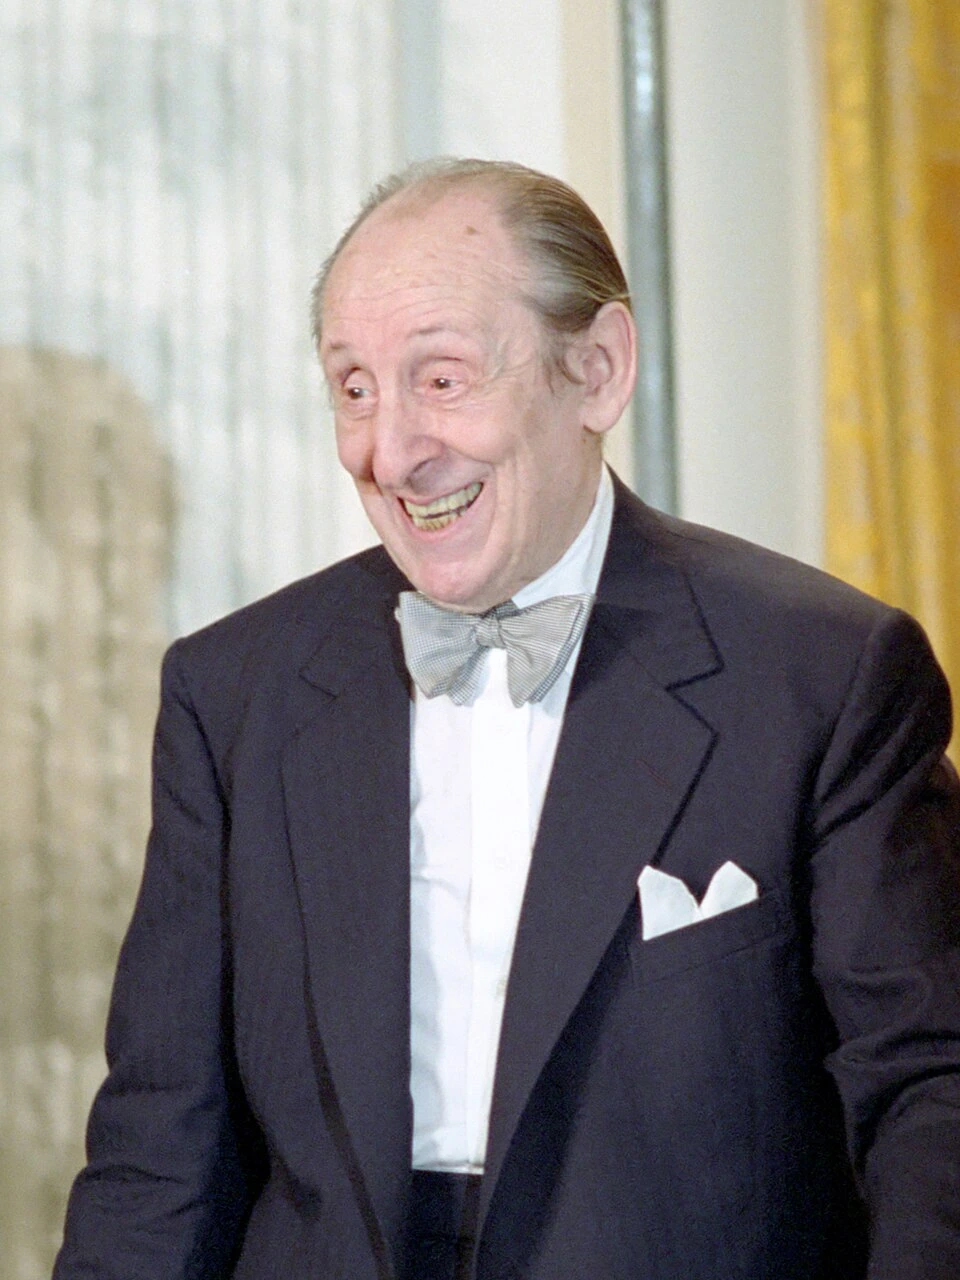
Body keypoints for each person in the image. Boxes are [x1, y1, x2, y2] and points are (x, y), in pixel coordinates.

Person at [55, 158, 960, 1280]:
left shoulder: (824, 674)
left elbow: (932, 1096)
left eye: (440, 378)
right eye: (354, 387)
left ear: (597, 370)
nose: (390, 452)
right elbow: (160, 1151)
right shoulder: (233, 689)